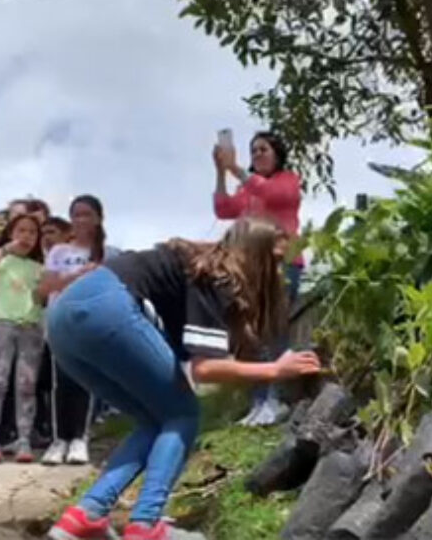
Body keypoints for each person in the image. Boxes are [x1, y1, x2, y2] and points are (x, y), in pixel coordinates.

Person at [46, 217, 320, 540]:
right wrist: (276, 370)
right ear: (252, 254)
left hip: (62, 321)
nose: (278, 273)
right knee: (183, 414)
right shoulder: (217, 276)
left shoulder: (192, 266)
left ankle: (86, 515)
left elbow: (199, 360)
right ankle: (147, 525)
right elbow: (204, 369)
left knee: (154, 419)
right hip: (109, 308)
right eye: (274, 261)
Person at [213, 131, 304, 426]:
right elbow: (223, 208)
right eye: (253, 150)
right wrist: (220, 173)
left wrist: (236, 169)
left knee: (273, 330)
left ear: (278, 153)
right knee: (253, 333)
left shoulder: (288, 180)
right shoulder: (248, 190)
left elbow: (273, 195)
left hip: (282, 264)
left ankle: (275, 400)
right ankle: (259, 401)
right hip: (251, 268)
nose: (257, 155)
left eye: (263, 149)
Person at [40, 195, 119, 466]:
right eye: (76, 215)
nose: (82, 220)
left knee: (85, 381)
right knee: (60, 382)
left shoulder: (109, 254)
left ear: (98, 218)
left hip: (89, 324)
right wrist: (79, 274)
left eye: (87, 214)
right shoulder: (60, 252)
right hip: (60, 321)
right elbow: (46, 286)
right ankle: (59, 439)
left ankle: (79, 439)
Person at [0, 214, 46, 463]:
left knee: (26, 386)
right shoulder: (3, 260)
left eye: (32, 232)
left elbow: (46, 291)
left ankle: (24, 439)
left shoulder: (39, 266)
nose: (26, 236)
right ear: (11, 233)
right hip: (2, 324)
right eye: (21, 230)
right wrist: (6, 247)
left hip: (31, 326)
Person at [33, 216, 73, 449]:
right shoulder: (48, 261)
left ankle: (68, 436)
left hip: (67, 330)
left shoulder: (70, 257)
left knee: (66, 384)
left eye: (52, 232)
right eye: (44, 233)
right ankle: (51, 432)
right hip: (48, 331)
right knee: (44, 383)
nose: (47, 238)